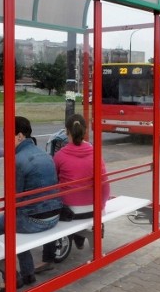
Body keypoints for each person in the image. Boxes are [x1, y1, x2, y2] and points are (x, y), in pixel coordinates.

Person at [0, 116, 63, 292]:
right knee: (14, 222)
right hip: (54, 216)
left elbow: (13, 200)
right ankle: (28, 272)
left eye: (7, 135)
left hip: (34, 221)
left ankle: (11, 277)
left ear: (20, 136)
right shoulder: (45, 155)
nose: (5, 140)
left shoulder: (17, 160)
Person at [37, 114, 111, 273]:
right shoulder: (95, 153)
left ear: (66, 132)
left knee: (49, 208)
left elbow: (52, 183)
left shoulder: (60, 155)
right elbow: (105, 186)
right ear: (84, 131)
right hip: (93, 210)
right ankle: (79, 237)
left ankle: (48, 258)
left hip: (68, 212)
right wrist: (101, 206)